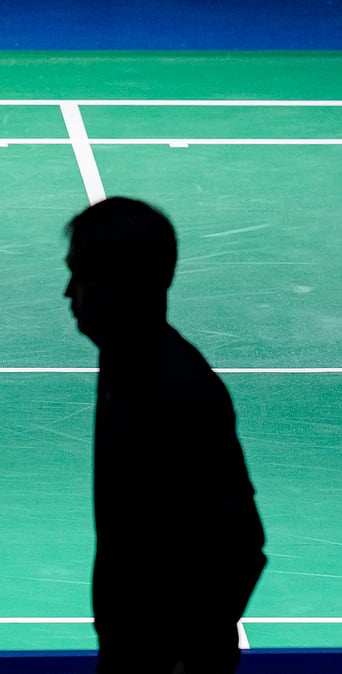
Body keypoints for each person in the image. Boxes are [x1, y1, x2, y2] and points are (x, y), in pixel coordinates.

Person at [64, 197, 267, 673]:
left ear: (127, 283)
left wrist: (185, 659)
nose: (69, 292)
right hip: (131, 647)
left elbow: (239, 542)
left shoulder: (177, 389)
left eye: (83, 275)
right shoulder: (121, 358)